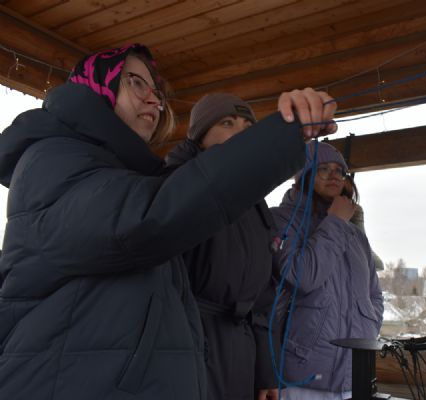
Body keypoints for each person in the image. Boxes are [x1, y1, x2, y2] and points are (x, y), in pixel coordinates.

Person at [0, 44, 336, 400]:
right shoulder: (53, 158)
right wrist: (278, 136)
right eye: (135, 83)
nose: (154, 100)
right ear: (96, 85)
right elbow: (150, 218)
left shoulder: (126, 175)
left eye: (156, 92)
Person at [164, 93, 284, 400]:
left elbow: (264, 297)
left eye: (247, 126)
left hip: (241, 352)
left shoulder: (254, 200)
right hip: (189, 348)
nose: (241, 133)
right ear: (200, 136)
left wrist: (265, 371)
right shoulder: (176, 186)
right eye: (228, 123)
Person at [270, 141, 384, 400]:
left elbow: (374, 295)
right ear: (304, 175)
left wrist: (368, 329)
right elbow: (302, 276)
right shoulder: (282, 219)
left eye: (339, 170)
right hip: (303, 375)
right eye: (323, 169)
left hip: (354, 374)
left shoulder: (356, 235)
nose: (334, 175)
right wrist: (335, 221)